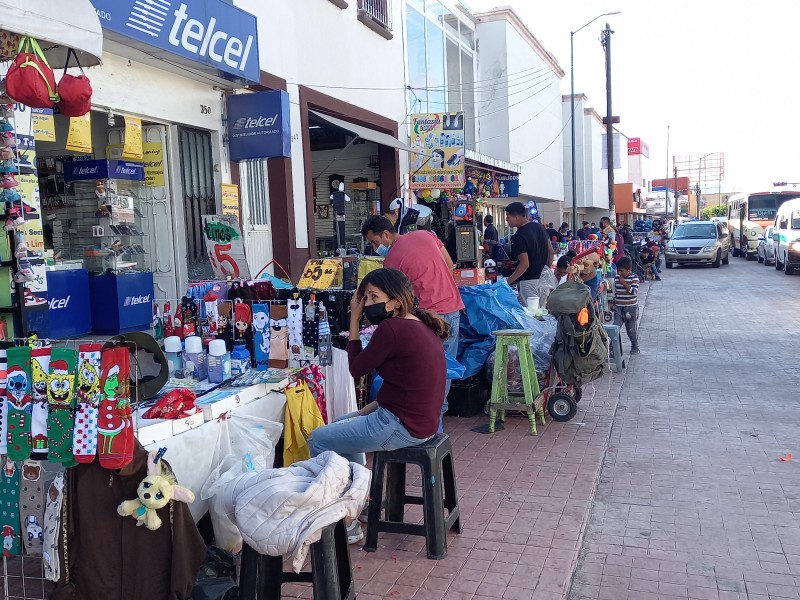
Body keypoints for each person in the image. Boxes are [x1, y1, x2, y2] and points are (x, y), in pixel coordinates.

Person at [308, 268, 448, 543]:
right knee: (338, 428)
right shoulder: (418, 323)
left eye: (374, 297)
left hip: (401, 425)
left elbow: (356, 367)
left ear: (395, 301)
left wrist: (355, 319)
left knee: (318, 439)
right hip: (418, 422)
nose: (369, 303)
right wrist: (363, 411)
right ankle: (358, 501)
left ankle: (345, 523)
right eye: (365, 297)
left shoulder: (391, 328)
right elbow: (403, 385)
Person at [360, 216, 462, 428]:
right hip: (452, 307)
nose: (374, 247)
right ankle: (437, 429)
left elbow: (396, 298)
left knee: (424, 375)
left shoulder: (392, 261)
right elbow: (450, 264)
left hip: (427, 317)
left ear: (386, 235)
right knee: (443, 372)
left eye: (375, 242)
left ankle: (429, 431)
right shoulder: (427, 235)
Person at [504, 202, 553, 307]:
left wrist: (507, 281)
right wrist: (546, 270)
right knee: (542, 314)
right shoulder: (540, 227)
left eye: (507, 216)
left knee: (531, 317)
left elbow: (524, 264)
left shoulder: (518, 237)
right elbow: (551, 252)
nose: (506, 220)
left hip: (528, 282)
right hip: (544, 281)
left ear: (516, 217)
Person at [613, 256, 640, 355]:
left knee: (631, 329)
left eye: (621, 271)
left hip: (630, 308)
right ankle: (614, 347)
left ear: (629, 270)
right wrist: (613, 302)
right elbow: (616, 292)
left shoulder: (634, 278)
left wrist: (624, 283)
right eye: (618, 271)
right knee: (615, 327)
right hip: (619, 307)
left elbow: (634, 292)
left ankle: (635, 346)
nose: (619, 273)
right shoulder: (617, 278)